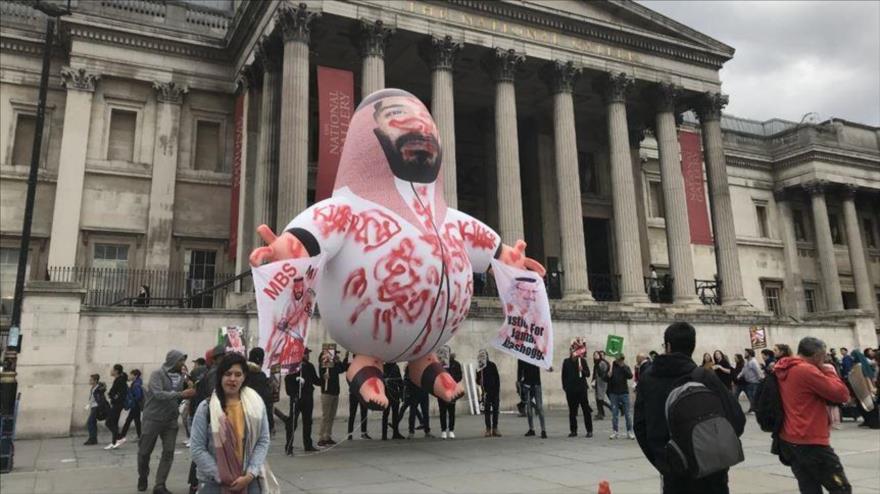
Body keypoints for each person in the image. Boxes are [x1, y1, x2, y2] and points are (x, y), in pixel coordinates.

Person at [634, 322, 746, 494]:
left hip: (674, 472)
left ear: (668, 346)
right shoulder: (704, 376)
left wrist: (663, 462)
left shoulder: (647, 379)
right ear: (693, 347)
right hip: (711, 471)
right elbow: (737, 419)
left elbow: (640, 427)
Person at [190, 353, 280, 494]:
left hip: (249, 482)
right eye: (228, 374)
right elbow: (197, 448)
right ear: (220, 376)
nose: (233, 379)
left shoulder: (255, 404)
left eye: (238, 374)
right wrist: (222, 475)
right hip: (213, 483)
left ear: (244, 377)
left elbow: (263, 440)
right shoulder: (206, 408)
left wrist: (250, 474)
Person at [775, 337, 852, 493]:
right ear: (817, 355)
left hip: (790, 439)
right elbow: (841, 394)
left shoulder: (784, 367)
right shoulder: (806, 370)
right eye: (823, 356)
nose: (825, 359)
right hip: (811, 440)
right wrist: (829, 371)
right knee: (841, 488)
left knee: (809, 488)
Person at [138, 349, 195, 494]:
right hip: (152, 419)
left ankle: (160, 485)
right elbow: (158, 394)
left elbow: (180, 396)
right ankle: (143, 475)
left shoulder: (182, 376)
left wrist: (190, 388)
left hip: (170, 420)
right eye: (180, 360)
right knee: (144, 452)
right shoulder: (157, 374)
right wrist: (181, 393)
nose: (183, 363)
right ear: (172, 361)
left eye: (183, 360)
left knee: (169, 452)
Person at [286, 348, 320, 454]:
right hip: (296, 397)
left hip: (308, 397)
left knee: (308, 422)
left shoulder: (309, 366)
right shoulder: (293, 366)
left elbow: (316, 380)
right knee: (292, 422)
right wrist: (295, 382)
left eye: (308, 354)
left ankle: (308, 445)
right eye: (305, 354)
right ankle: (289, 446)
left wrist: (324, 378)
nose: (307, 355)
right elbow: (287, 380)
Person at [562, 345, 593, 438]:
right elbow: (563, 376)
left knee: (586, 410)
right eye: (572, 350)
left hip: (581, 389)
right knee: (572, 411)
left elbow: (588, 374)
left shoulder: (582, 361)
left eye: (575, 350)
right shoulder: (566, 362)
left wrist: (582, 370)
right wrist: (565, 387)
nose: (573, 352)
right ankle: (573, 430)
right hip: (571, 390)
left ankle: (589, 430)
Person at [317, 349, 346, 446]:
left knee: (331, 416)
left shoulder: (334, 363)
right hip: (327, 392)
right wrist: (323, 376)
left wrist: (340, 360)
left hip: (335, 392)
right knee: (326, 416)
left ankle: (327, 436)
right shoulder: (324, 362)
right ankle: (321, 437)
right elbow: (322, 373)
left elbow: (342, 369)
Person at [245, 348, 275, 433]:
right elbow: (266, 401)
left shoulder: (242, 373)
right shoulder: (260, 376)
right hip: (257, 419)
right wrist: (270, 423)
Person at [848, 349, 878, 429]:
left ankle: (875, 423)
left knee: (871, 407)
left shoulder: (860, 366)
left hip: (866, 388)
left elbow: (866, 377)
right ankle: (868, 421)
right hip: (861, 389)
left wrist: (871, 387)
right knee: (864, 406)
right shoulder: (857, 365)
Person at [437, 347, 463, 439]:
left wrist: (451, 379)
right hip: (441, 391)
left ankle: (451, 430)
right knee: (442, 411)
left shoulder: (455, 364)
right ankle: (443, 430)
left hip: (452, 391)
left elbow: (459, 376)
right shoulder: (438, 365)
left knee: (451, 411)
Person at [607, 354, 634, 440]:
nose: (620, 361)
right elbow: (605, 378)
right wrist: (608, 375)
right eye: (619, 360)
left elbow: (630, 376)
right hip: (613, 393)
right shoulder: (611, 367)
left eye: (622, 360)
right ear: (616, 360)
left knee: (627, 413)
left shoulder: (625, 367)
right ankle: (615, 431)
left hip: (624, 393)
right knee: (614, 414)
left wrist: (623, 367)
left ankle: (629, 431)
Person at [518, 360, 547, 439]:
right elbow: (520, 369)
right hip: (527, 384)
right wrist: (519, 382)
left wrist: (548, 366)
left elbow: (543, 360)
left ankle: (543, 430)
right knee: (529, 409)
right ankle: (532, 429)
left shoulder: (533, 353)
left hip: (536, 384)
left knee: (539, 407)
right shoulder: (522, 355)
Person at [475, 349, 501, 437]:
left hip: (494, 391)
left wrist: (497, 391)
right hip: (486, 392)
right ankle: (488, 429)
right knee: (487, 411)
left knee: (495, 410)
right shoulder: (479, 368)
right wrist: (479, 380)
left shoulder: (492, 365)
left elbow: (497, 379)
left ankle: (495, 428)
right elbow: (477, 381)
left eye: (484, 355)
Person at [105, 364, 129, 449]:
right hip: (117, 404)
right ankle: (114, 442)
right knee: (114, 423)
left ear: (116, 371)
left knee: (108, 422)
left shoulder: (120, 380)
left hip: (117, 404)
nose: (111, 371)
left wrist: (113, 396)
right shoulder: (119, 379)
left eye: (112, 369)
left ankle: (120, 437)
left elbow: (120, 393)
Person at [347, 359, 371, 440]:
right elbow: (348, 378)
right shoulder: (351, 367)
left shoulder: (364, 368)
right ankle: (349, 433)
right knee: (352, 414)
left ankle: (363, 433)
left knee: (364, 413)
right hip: (354, 393)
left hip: (362, 393)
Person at [381, 361, 405, 440]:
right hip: (386, 394)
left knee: (395, 415)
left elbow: (399, 381)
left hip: (395, 394)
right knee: (385, 414)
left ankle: (395, 433)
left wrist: (402, 394)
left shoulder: (395, 367)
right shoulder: (383, 367)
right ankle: (384, 435)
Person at [121, 369, 144, 440]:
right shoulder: (136, 383)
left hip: (135, 405)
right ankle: (140, 436)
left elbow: (138, 396)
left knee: (129, 421)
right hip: (136, 405)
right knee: (136, 421)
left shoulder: (136, 385)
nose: (130, 376)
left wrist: (131, 400)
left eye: (131, 375)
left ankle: (122, 435)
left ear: (135, 376)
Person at [84, 373, 108, 446]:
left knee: (90, 422)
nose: (89, 381)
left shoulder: (98, 389)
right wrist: (88, 405)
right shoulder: (94, 388)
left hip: (96, 407)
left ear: (95, 381)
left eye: (91, 380)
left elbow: (101, 399)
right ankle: (93, 439)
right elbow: (92, 398)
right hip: (93, 407)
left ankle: (92, 439)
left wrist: (100, 408)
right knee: (92, 423)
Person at [592, 351, 611, 420]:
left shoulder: (602, 363)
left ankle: (611, 408)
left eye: (596, 355)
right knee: (598, 399)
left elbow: (602, 373)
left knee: (600, 399)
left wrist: (597, 366)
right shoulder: (596, 363)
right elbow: (594, 373)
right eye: (594, 355)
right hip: (597, 383)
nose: (595, 356)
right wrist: (593, 380)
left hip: (602, 383)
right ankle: (601, 413)